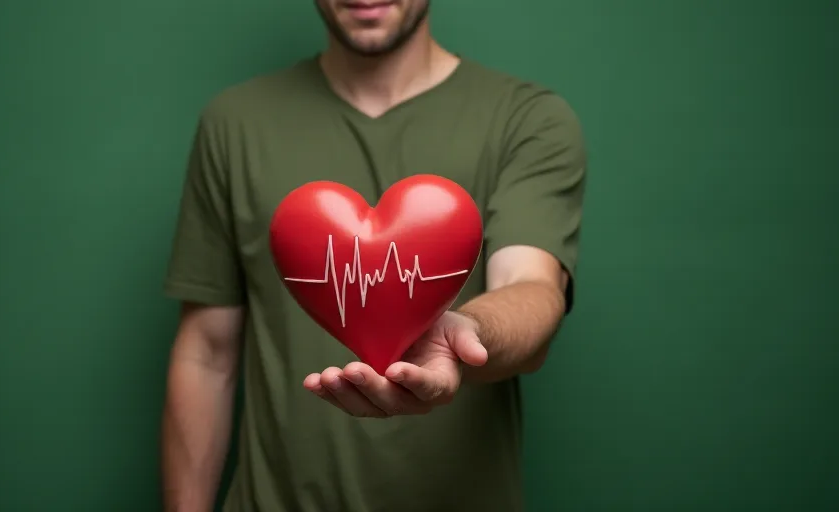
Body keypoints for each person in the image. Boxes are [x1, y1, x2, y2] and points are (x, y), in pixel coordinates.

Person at [160, 1, 587, 510]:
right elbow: (206, 354)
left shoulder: (528, 119)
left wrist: (465, 335)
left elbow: (532, 287)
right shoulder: (233, 124)